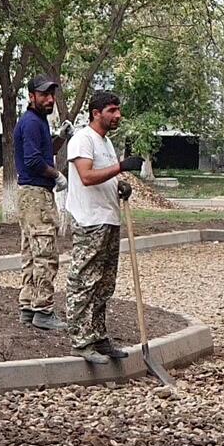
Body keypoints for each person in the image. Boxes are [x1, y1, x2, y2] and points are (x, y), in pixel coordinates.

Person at [65, 91, 143, 364]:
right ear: (96, 113)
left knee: (104, 284)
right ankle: (80, 340)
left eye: (118, 110)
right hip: (89, 222)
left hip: (108, 219)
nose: (117, 115)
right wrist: (120, 167)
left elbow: (104, 176)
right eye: (112, 110)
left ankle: (98, 337)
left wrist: (119, 184)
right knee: (84, 281)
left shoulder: (105, 142)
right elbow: (86, 176)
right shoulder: (82, 140)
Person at [13, 75, 73, 330]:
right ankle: (44, 311)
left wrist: (60, 138)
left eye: (52, 95)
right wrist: (57, 175)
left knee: (30, 252)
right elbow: (34, 161)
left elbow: (45, 152)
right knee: (46, 254)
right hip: (37, 196)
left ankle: (28, 306)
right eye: (44, 95)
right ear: (31, 96)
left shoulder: (36, 122)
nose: (50, 99)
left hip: (29, 195)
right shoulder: (31, 123)